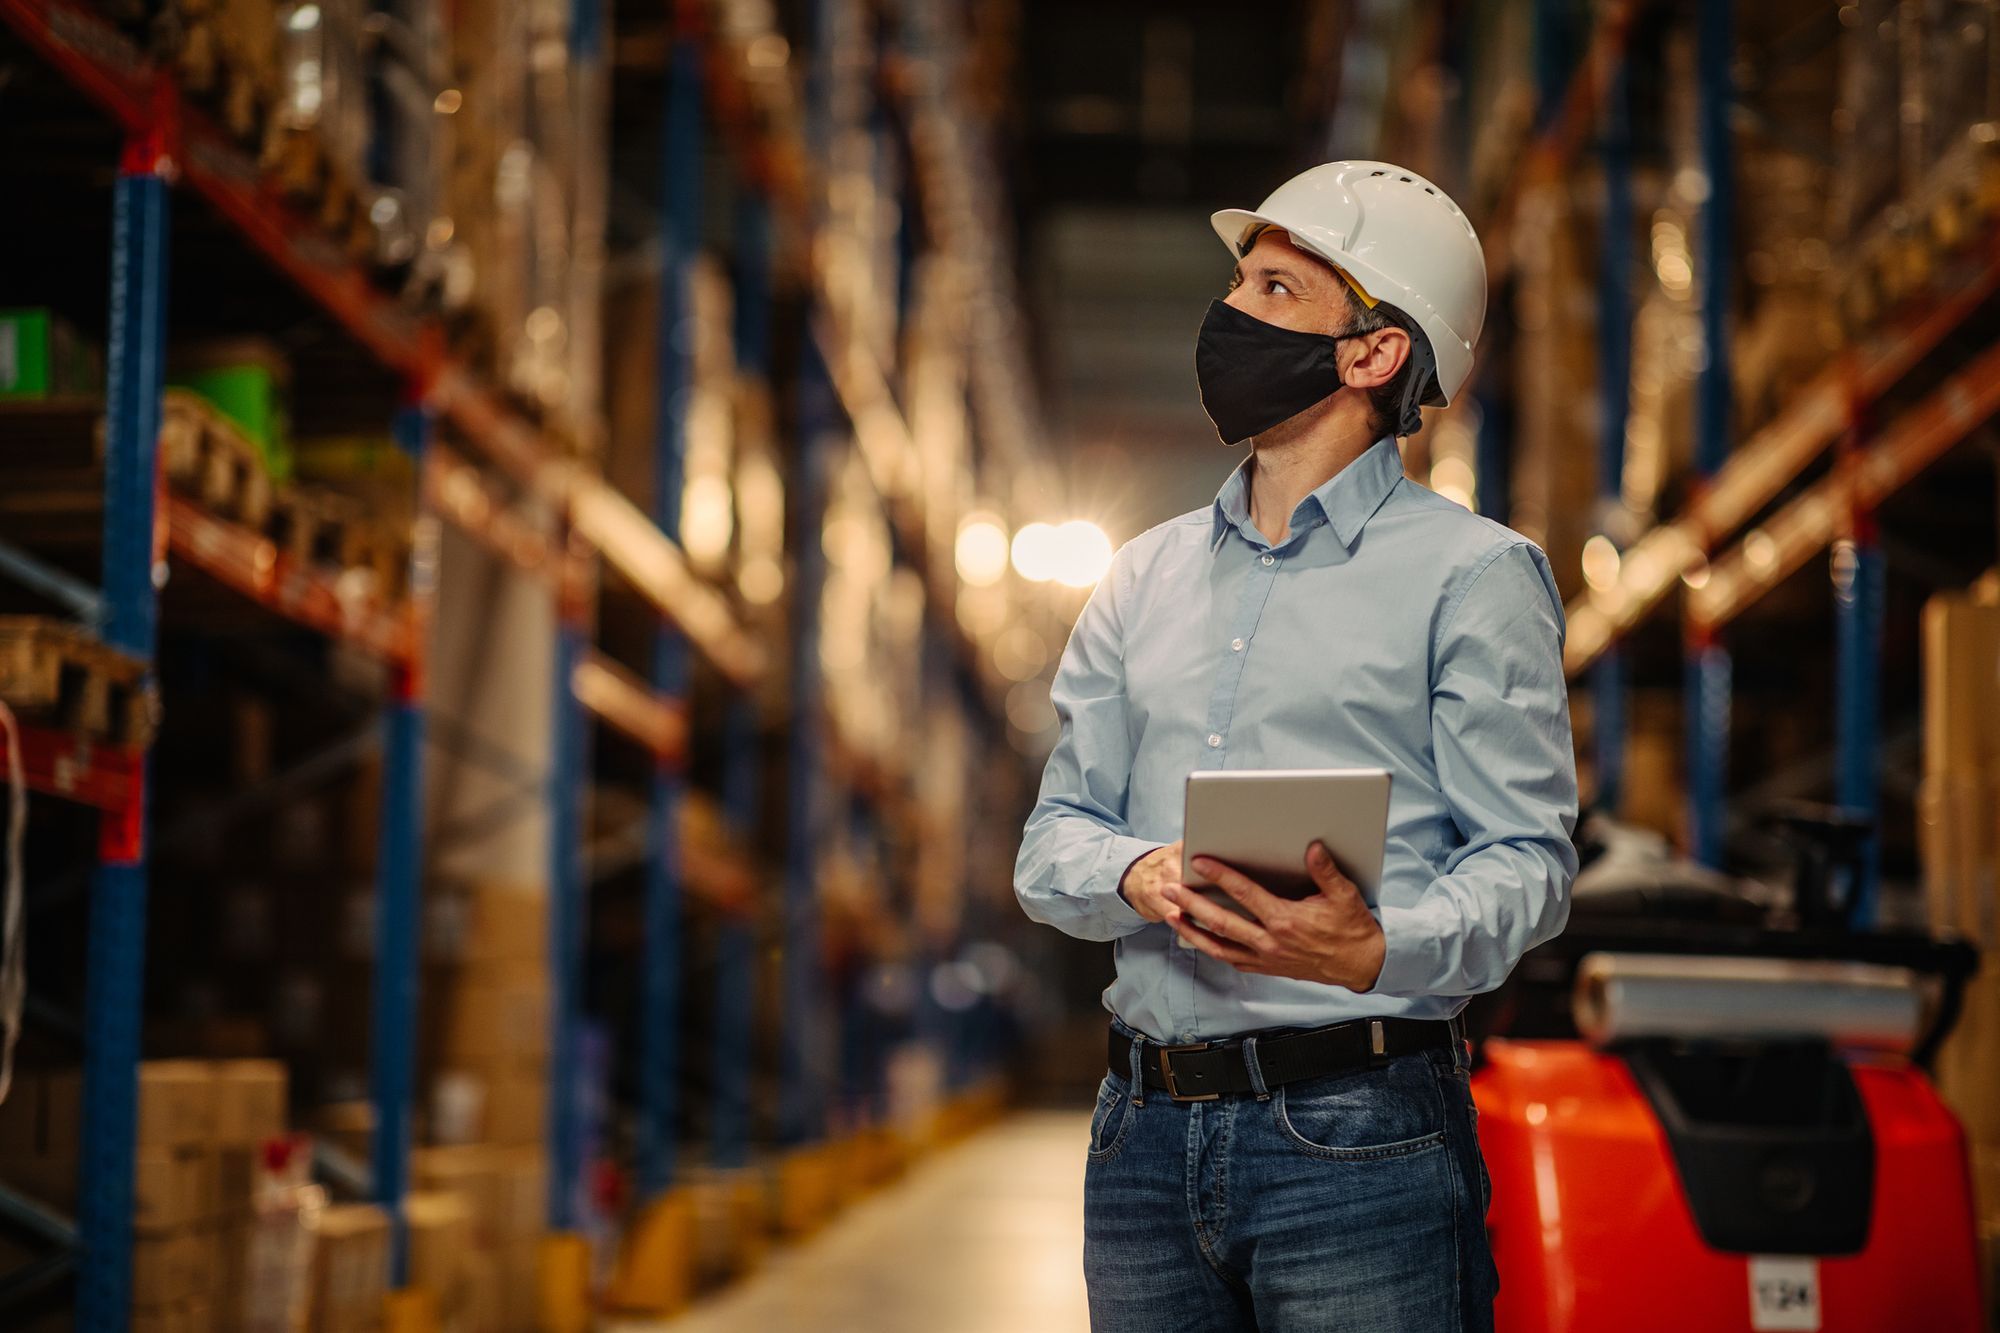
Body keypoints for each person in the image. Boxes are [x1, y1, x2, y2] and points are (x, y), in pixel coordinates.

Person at [1013, 160, 1579, 1332]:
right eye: (1236, 284)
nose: (1226, 317)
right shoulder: (1140, 576)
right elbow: (1050, 841)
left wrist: (1375, 946)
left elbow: (1526, 861)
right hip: (1138, 1136)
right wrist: (1136, 871)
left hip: (1357, 1135)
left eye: (1272, 289)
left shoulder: (1472, 579)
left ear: (1372, 353)